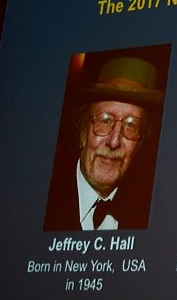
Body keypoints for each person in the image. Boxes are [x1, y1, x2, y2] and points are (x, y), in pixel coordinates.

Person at [44, 56, 163, 231]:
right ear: (83, 131)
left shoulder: (150, 217)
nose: (114, 141)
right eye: (105, 120)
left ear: (140, 143)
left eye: (131, 125)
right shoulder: (42, 203)